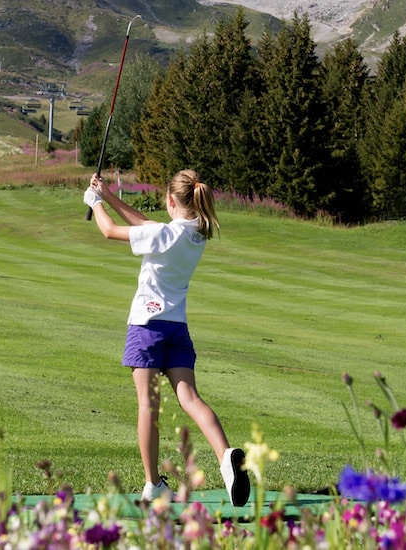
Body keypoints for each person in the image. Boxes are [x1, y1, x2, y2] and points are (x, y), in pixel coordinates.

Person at [83, 169, 250, 506]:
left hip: (146, 326)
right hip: (177, 328)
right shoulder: (196, 234)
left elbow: (109, 231)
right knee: (190, 398)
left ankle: (153, 484)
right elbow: (146, 225)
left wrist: (93, 203)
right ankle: (225, 456)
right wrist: (108, 194)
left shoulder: (163, 234)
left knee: (148, 405)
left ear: (171, 201)